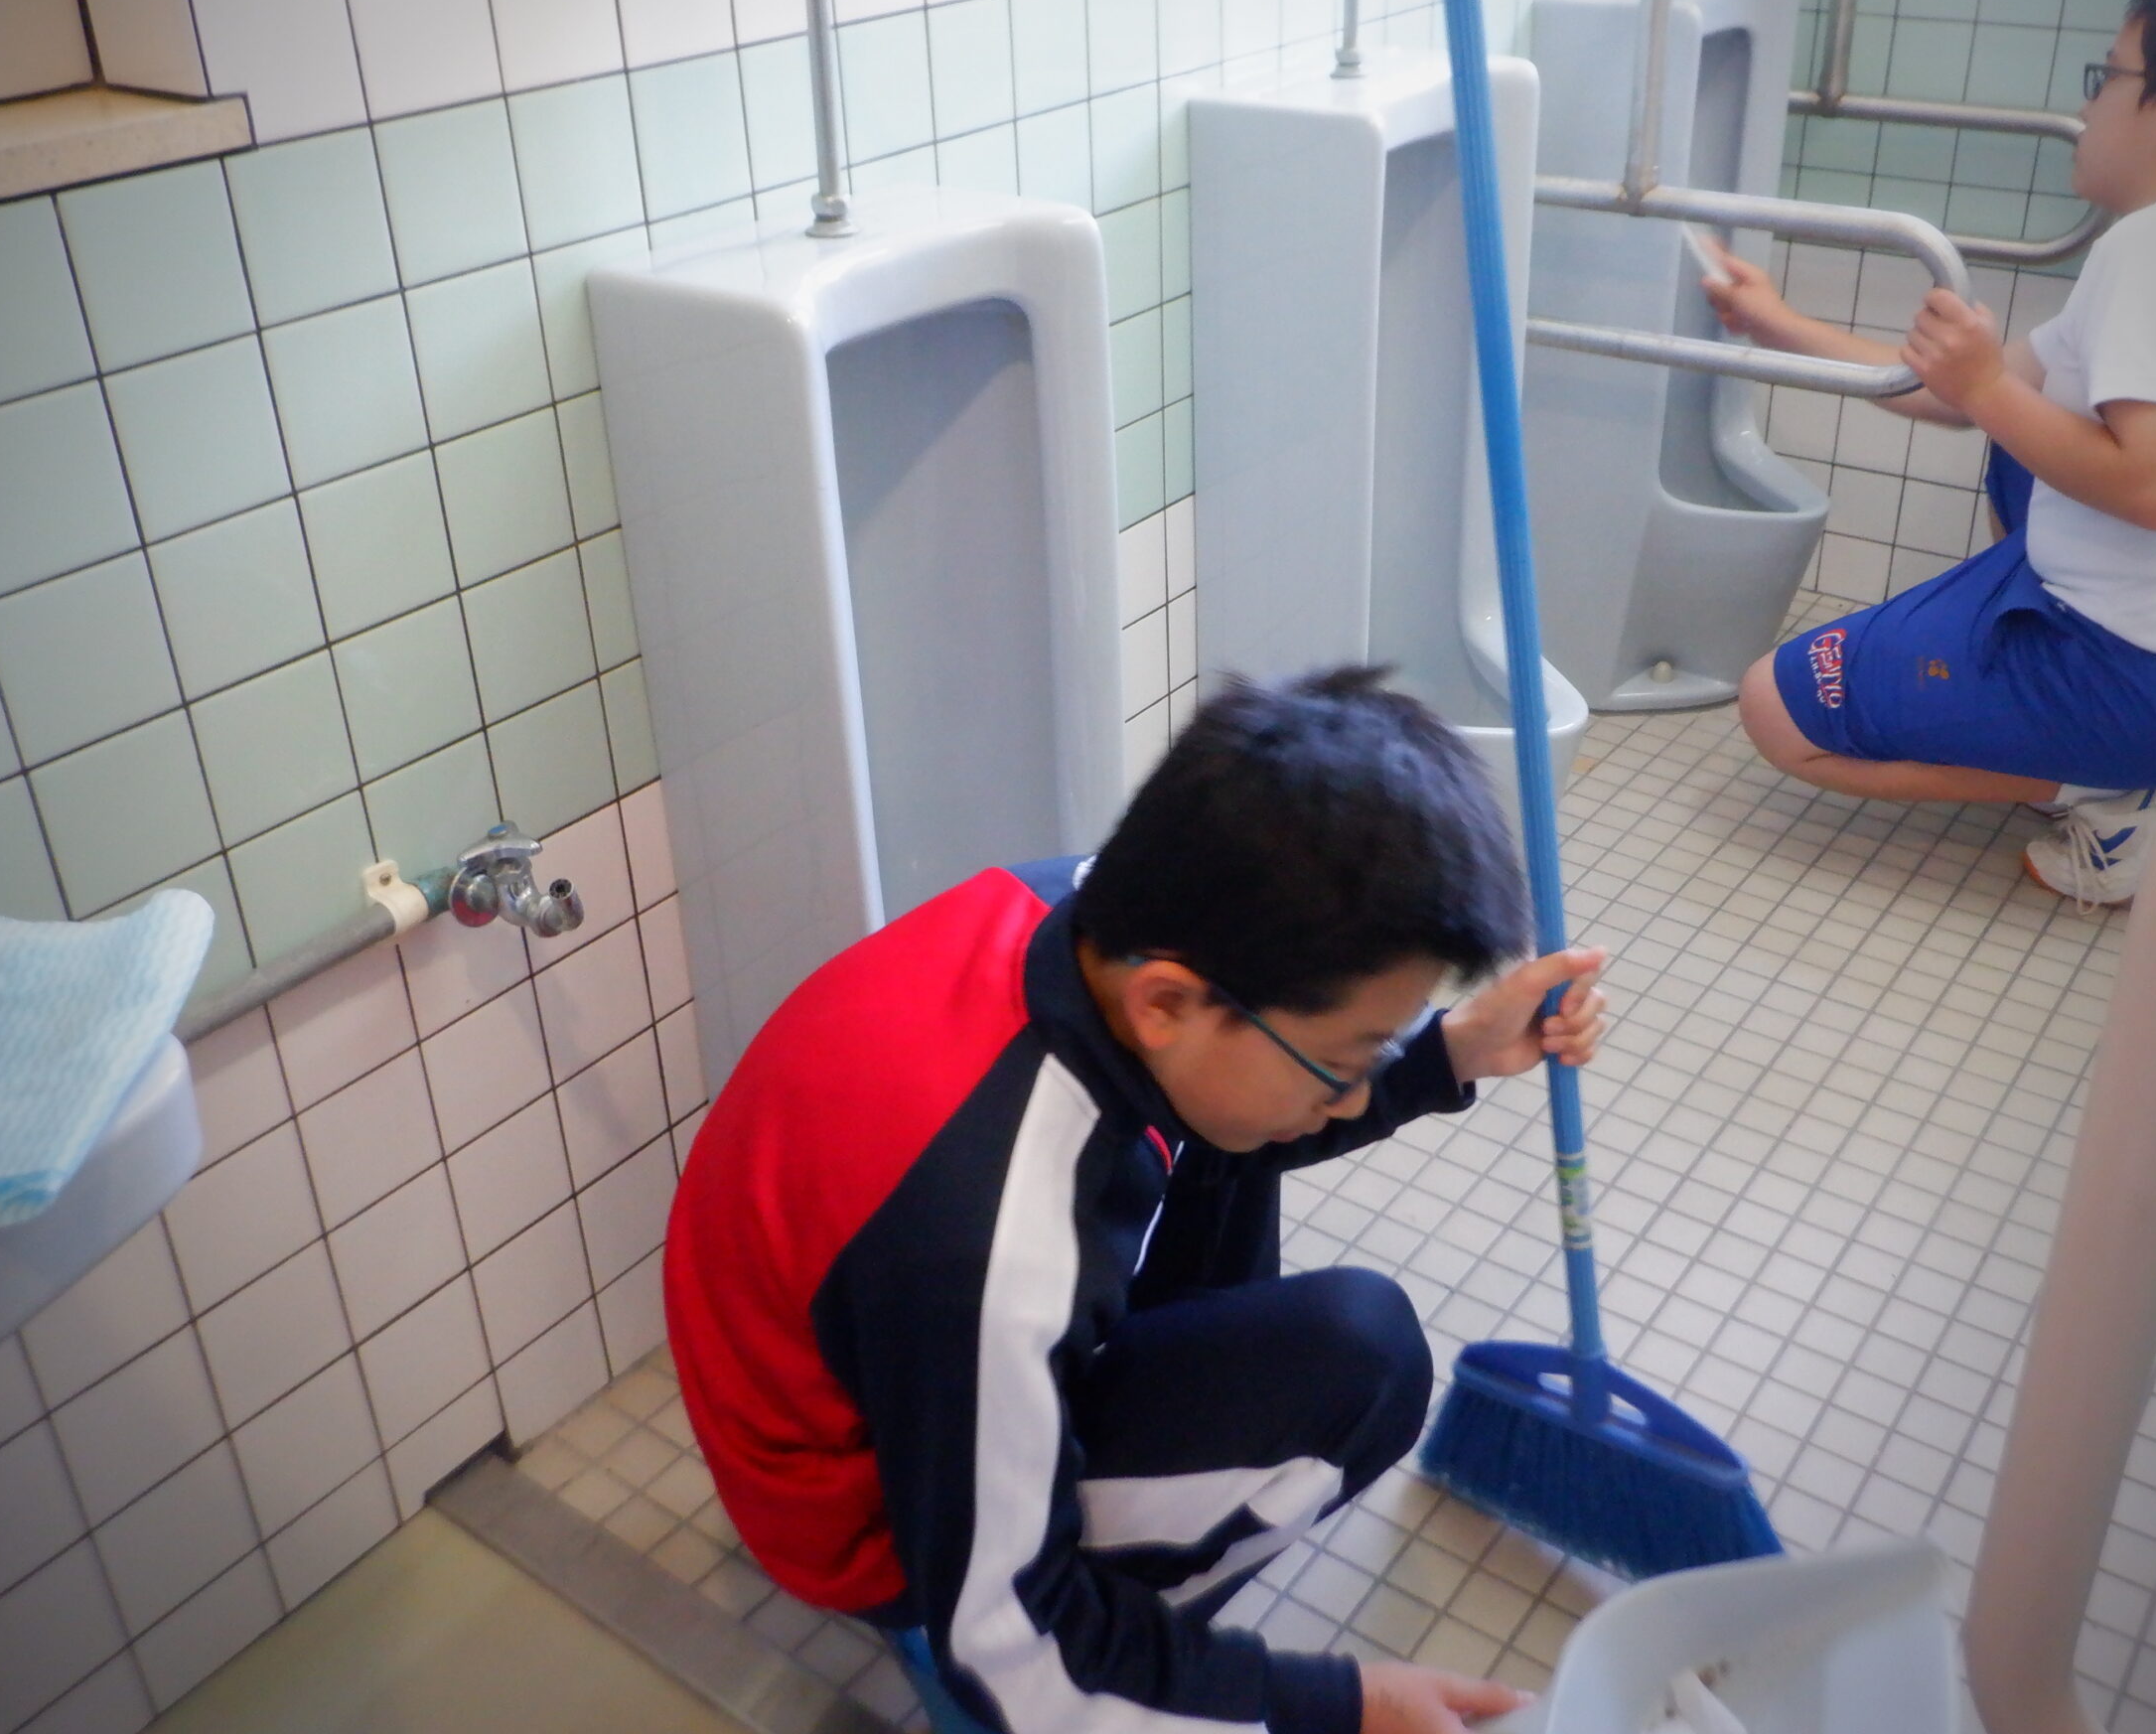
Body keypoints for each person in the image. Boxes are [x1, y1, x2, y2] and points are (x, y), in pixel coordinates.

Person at [662, 666, 1610, 1734]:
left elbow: (1227, 1096)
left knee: (1237, 1132)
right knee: (1365, 1363)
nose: (1355, 1093)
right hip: (866, 1515)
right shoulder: (990, 1241)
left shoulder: (1097, 918)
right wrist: (1330, 1705)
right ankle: (987, 1633)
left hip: (871, 1368)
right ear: (1166, 1001)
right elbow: (1008, 1647)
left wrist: (1450, 1052)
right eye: (1346, 1059)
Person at [1703, 0, 2156, 907]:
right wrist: (1779, 323)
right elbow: (1961, 396)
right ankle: (2110, 748)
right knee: (2017, 425)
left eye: (2108, 76)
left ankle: (2114, 793)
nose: (2087, 107)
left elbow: (2154, 489)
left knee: (1778, 708)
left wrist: (1984, 386)